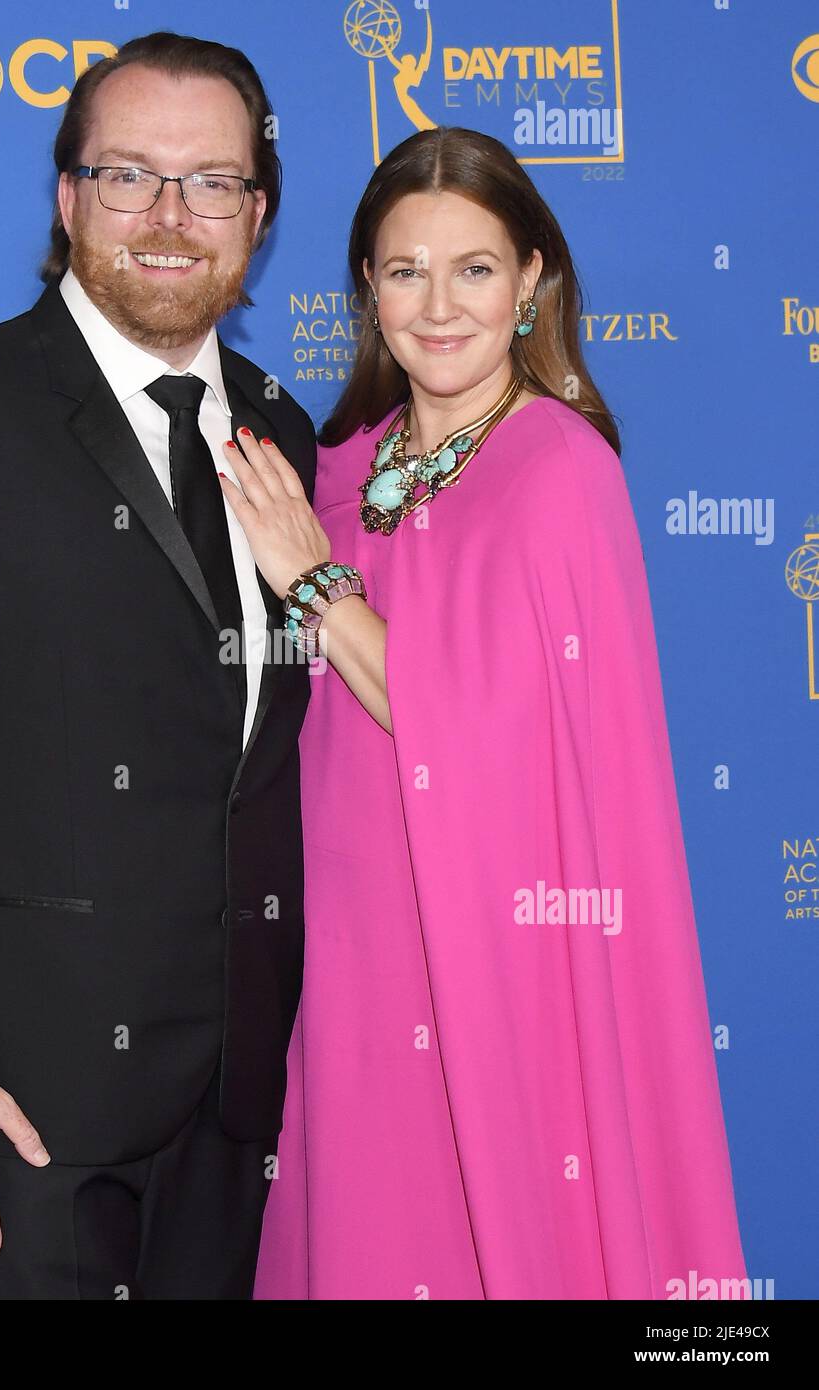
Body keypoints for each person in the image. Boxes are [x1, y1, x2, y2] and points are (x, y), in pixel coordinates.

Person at [0, 31, 316, 1300]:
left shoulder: (284, 430)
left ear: (255, 216)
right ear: (69, 195)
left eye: (211, 184)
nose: (171, 218)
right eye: (130, 175)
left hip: (238, 1104)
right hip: (15, 1113)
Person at [216, 126, 750, 1299]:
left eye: (473, 268)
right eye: (405, 270)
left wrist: (314, 582)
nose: (438, 304)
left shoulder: (558, 468)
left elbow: (482, 737)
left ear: (529, 283)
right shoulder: (336, 469)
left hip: (498, 948)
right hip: (345, 954)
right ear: (365, 288)